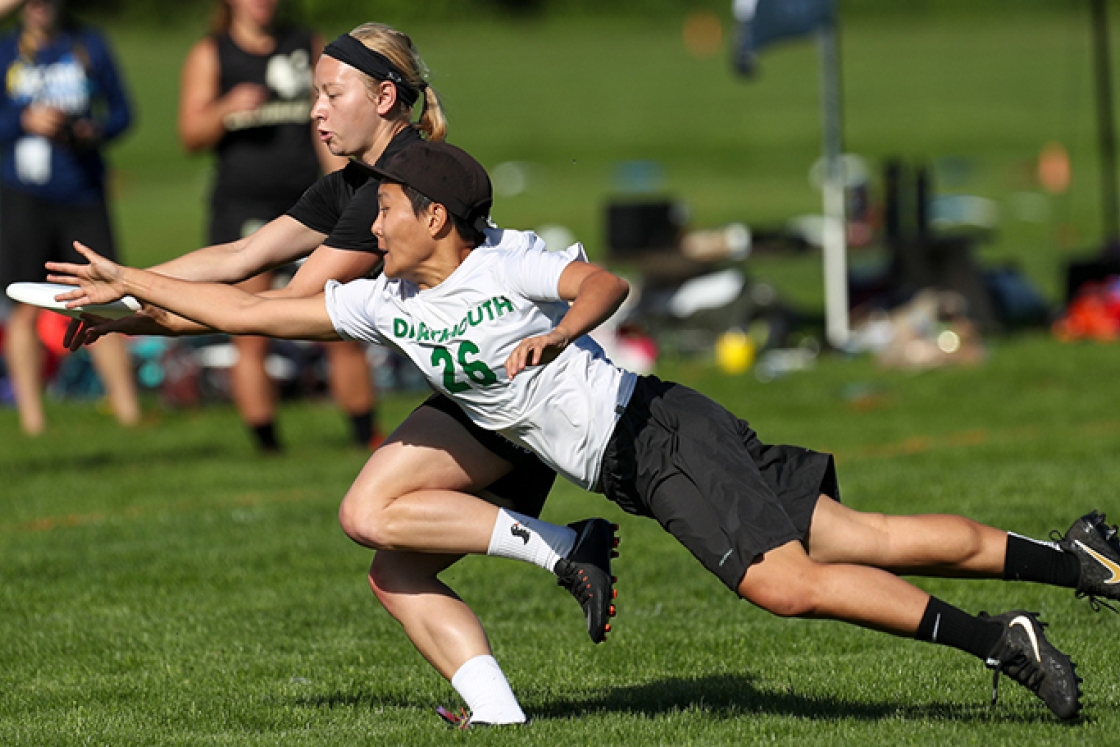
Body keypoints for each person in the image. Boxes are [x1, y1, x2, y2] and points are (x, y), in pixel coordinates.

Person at [51, 139, 1120, 725]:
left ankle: (1000, 641)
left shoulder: (501, 261)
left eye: (383, 209)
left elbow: (601, 281)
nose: (365, 223)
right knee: (858, 539)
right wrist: (121, 296)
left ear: (433, 216)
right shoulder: (382, 300)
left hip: (656, 439)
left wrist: (557, 333)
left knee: (782, 583)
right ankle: (1079, 564)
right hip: (646, 454)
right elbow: (243, 309)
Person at [54, 24, 605, 727]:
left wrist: (132, 305)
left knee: (367, 515)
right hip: (475, 385)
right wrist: (125, 291)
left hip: (513, 386)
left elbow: (277, 307)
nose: (313, 109)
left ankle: (564, 547)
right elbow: (243, 255)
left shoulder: (397, 180)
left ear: (383, 97)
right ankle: (500, 716)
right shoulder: (354, 181)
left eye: (328, 93)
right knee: (395, 569)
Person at [178, 0, 379, 452]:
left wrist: (344, 189)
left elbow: (326, 124)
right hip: (242, 204)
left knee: (339, 321)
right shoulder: (212, 53)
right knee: (249, 328)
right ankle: (268, 446)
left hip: (308, 201)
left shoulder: (304, 44)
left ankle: (368, 436)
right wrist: (226, 107)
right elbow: (190, 134)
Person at [0, 0, 140, 435]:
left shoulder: (89, 44)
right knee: (21, 304)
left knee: (103, 298)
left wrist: (91, 130)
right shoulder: (6, 51)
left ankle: (129, 413)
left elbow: (122, 112)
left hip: (83, 195)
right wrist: (22, 120)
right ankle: (32, 420)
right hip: (23, 197)